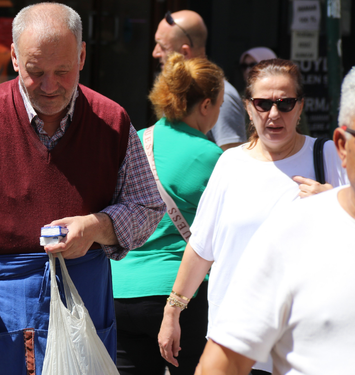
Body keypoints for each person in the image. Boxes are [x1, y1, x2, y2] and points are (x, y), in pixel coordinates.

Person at [0, 3, 166, 374]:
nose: (49, 86)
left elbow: (146, 207)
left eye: (62, 71)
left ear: (82, 56)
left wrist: (96, 226)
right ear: (14, 57)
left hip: (84, 296)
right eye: (35, 71)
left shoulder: (112, 121)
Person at [157, 58, 348, 374]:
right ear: (247, 107)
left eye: (285, 103)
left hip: (304, 343)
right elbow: (201, 248)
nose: (274, 114)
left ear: (300, 107)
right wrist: (172, 313)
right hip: (234, 340)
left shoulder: (328, 157)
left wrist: (330, 201)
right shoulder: (231, 163)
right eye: (263, 103)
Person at [111, 52, 224, 375]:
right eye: (218, 104)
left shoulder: (135, 139)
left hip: (119, 291)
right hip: (176, 295)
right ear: (205, 105)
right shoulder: (211, 156)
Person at [152, 10, 246, 151]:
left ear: (184, 52)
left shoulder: (221, 94)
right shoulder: (174, 89)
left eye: (163, 47)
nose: (155, 53)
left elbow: (232, 161)